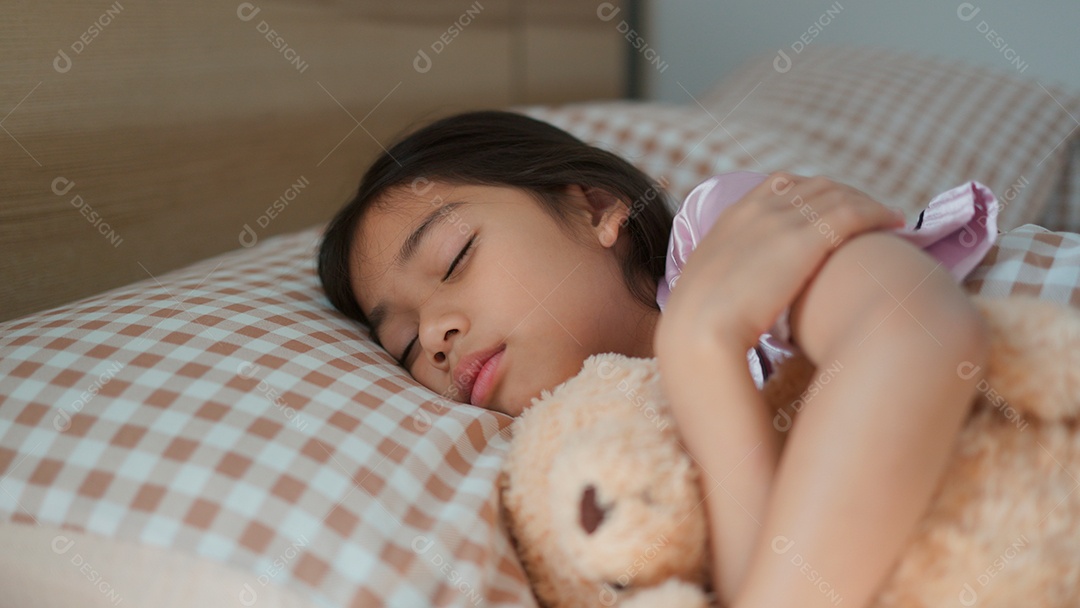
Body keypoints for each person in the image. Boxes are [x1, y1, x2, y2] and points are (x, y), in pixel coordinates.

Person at [317, 110, 991, 608]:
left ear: (597, 209)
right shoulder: (588, 465)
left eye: (455, 258)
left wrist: (702, 335)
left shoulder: (721, 242)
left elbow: (913, 333)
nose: (434, 335)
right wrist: (704, 356)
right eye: (403, 345)